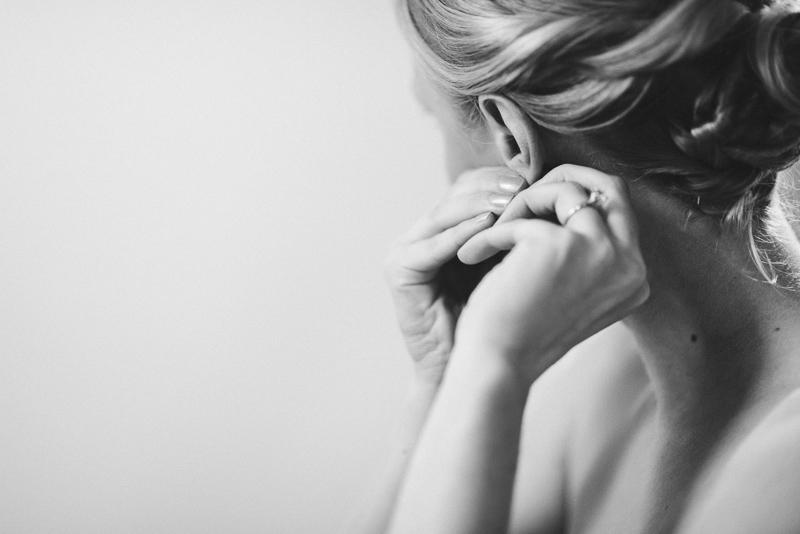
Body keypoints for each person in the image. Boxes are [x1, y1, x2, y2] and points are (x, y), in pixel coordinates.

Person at [347, 1, 800, 533]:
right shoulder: (602, 385)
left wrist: (491, 364)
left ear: (510, 136)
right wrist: (443, 376)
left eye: (435, 121)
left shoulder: (782, 473)